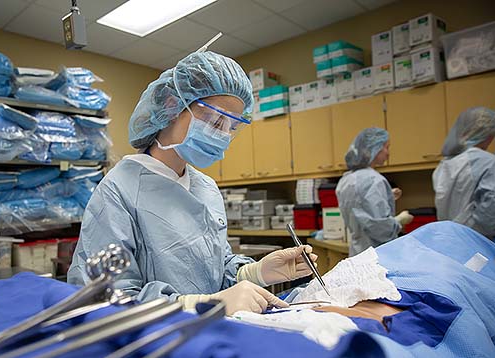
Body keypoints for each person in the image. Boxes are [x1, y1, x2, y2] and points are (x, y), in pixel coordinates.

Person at [67, 51, 318, 316]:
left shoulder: (206, 189)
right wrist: (200, 306)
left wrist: (257, 271)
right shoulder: (118, 191)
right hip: (155, 343)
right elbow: (102, 299)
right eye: (215, 120)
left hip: (213, 335)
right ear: (173, 106)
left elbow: (215, 275)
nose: (222, 134)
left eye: (232, 127)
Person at [336, 127, 413, 256]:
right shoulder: (374, 180)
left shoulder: (346, 179)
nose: (388, 153)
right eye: (386, 147)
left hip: (357, 252)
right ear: (374, 148)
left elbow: (359, 205)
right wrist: (399, 220)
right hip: (377, 254)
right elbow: (381, 229)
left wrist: (387, 195)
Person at [432, 107, 495, 239]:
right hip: (477, 243)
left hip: (449, 240)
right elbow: (489, 217)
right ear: (489, 134)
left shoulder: (444, 164)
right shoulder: (489, 162)